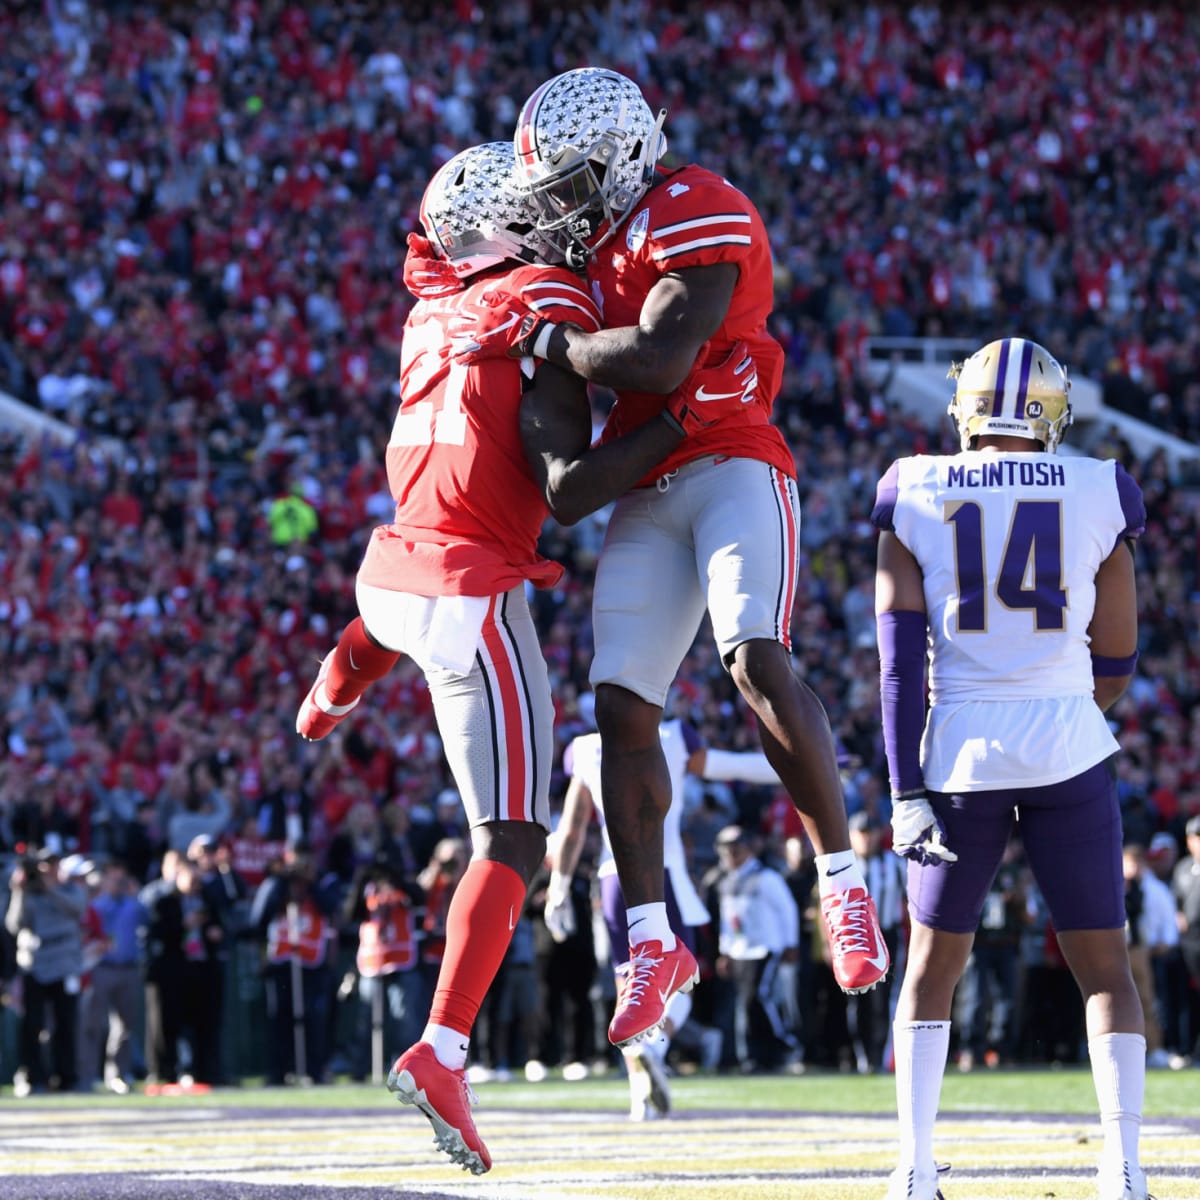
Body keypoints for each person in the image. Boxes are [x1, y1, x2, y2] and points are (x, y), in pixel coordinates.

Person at [292, 142, 754, 1175]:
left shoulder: (428, 311)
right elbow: (574, 473)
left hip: (388, 575)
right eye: (542, 208)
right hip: (470, 593)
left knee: (385, 632)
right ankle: (444, 1046)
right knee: (511, 836)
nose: (562, 219)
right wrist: (684, 409)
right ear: (518, 226)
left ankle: (335, 681)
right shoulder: (546, 290)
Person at [457, 67, 888, 1048]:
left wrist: (552, 339)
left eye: (577, 179)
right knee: (617, 709)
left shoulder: (697, 203)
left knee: (753, 656)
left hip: (733, 460)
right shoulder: (577, 254)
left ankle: (843, 882)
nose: (565, 204)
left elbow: (655, 361)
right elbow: (573, 480)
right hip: (653, 474)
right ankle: (651, 941)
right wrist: (548, 340)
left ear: (627, 155)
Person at [871, 337, 1152, 1200]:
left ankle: (915, 1168)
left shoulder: (911, 485)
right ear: (1051, 411)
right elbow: (1118, 653)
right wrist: (1060, 706)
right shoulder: (1104, 487)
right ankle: (1126, 1169)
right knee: (1104, 965)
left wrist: (903, 789)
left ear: (967, 407)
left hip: (958, 753)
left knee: (931, 965)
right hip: (1068, 744)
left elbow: (897, 660)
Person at [547, 709, 775, 1117]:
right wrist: (805, 760)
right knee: (679, 978)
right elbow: (730, 766)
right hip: (660, 874)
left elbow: (573, 827)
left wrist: (559, 886)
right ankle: (655, 1046)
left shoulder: (584, 748)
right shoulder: (671, 735)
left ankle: (641, 1099)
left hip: (612, 877)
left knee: (629, 992)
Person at [711, 824, 801, 1075]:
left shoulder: (766, 878)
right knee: (746, 1004)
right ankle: (754, 1055)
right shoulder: (727, 881)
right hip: (740, 950)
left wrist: (790, 943)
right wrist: (725, 951)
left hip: (764, 948)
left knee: (757, 999)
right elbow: (728, 921)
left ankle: (784, 1044)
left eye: (736, 849)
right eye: (726, 850)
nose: (731, 855)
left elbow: (787, 911)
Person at [5, 848, 86, 1095]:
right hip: (36, 964)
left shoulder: (70, 890)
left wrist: (49, 889)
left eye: (53, 866)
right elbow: (14, 925)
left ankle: (66, 1077)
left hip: (64, 965)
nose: (49, 871)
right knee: (32, 1023)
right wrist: (19, 892)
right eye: (44, 867)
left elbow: (77, 910)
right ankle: (32, 1075)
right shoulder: (27, 894)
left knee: (65, 1023)